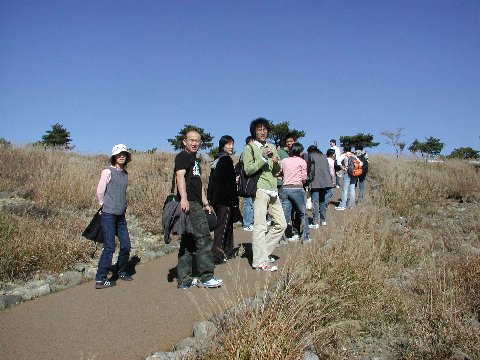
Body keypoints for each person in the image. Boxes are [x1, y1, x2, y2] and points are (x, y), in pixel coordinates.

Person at [174, 130, 223, 289]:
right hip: (189, 203)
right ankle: (207, 276)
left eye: (197, 141)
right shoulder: (182, 157)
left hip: (196, 202)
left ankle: (184, 280)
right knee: (203, 238)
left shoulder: (195, 160)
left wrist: (206, 203)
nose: (194, 143)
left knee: (188, 241)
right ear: (184, 142)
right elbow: (179, 177)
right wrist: (184, 198)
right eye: (191, 140)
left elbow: (198, 183)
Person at [243, 118, 287, 271]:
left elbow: (276, 171)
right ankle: (260, 261)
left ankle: (262, 253)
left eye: (265, 129)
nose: (262, 132)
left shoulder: (272, 146)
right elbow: (248, 170)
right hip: (260, 189)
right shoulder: (249, 148)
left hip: (273, 189)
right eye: (259, 129)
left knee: (282, 224)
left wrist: (275, 162)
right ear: (254, 132)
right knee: (260, 226)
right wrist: (263, 158)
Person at [95, 144, 133, 289]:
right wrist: (102, 205)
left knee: (126, 245)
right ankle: (100, 278)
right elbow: (100, 191)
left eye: (124, 154)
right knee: (109, 247)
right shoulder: (107, 171)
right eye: (119, 154)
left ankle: (122, 271)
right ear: (114, 156)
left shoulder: (125, 173)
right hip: (109, 214)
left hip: (120, 215)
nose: (121, 156)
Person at [207, 135, 239, 264]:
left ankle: (228, 251)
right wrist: (234, 200)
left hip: (217, 198)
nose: (232, 146)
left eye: (232, 143)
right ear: (223, 145)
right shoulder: (226, 160)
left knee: (227, 224)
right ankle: (216, 255)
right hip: (225, 199)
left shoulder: (217, 159)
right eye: (229, 144)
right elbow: (229, 183)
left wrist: (210, 199)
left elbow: (212, 181)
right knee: (223, 226)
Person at [280, 142, 310, 243]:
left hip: (285, 189)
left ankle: (280, 238)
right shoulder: (302, 161)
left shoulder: (284, 161)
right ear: (299, 151)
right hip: (297, 188)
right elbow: (304, 178)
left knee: (285, 215)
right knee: (303, 213)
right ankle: (306, 237)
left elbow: (279, 173)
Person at [335, 146, 362, 210]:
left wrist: (343, 168)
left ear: (344, 150)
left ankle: (342, 205)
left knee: (345, 189)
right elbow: (361, 163)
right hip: (355, 173)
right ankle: (351, 205)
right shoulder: (354, 155)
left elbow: (338, 161)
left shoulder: (344, 155)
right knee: (352, 189)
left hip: (347, 173)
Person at [239, 136, 255, 231]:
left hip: (249, 182)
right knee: (248, 203)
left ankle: (249, 222)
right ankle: (247, 224)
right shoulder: (246, 153)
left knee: (251, 204)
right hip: (247, 183)